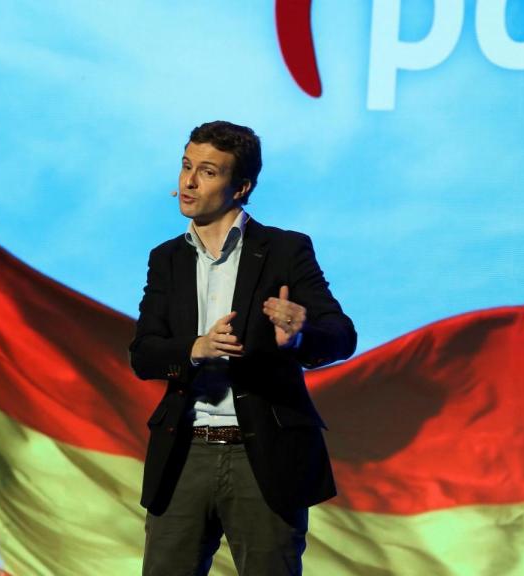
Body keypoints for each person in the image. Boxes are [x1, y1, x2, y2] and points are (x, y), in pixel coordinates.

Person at [129, 120, 357, 575]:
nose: (189, 182)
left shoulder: (285, 250)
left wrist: (299, 335)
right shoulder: (166, 258)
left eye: (208, 172)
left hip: (264, 457)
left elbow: (341, 335)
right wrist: (196, 347)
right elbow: (144, 354)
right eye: (186, 166)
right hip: (184, 453)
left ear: (241, 186)